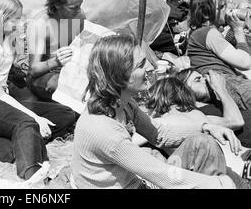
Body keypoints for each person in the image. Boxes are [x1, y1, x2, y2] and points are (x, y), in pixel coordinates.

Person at [72, 33, 243, 189]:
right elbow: (159, 174)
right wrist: (219, 184)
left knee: (202, 143)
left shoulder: (122, 104)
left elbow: (158, 133)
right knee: (223, 180)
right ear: (119, 76)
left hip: (137, 182)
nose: (148, 68)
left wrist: (206, 127)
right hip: (137, 184)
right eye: (140, 65)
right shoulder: (105, 131)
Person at [0, 0, 77, 180]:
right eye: (15, 19)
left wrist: (56, 60)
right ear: (0, 18)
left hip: (1, 94)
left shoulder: (9, 38)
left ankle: (9, 142)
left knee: (64, 114)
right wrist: (35, 117)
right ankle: (31, 176)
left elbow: (26, 68)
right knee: (26, 123)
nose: (19, 22)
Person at [186, 0, 251, 111]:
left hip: (222, 83)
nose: (226, 10)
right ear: (206, 14)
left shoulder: (200, 33)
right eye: (221, 7)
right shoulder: (208, 33)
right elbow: (245, 63)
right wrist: (238, 31)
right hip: (226, 82)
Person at [27, 0, 85, 101]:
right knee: (62, 84)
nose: (79, 10)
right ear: (57, 5)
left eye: (80, 5)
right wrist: (55, 62)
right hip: (44, 76)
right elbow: (33, 70)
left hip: (69, 70)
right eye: (73, 7)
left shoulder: (79, 16)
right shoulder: (41, 24)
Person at [174, 68, 251, 147]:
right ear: (185, 91)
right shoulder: (198, 115)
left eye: (203, 77)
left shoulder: (217, 103)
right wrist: (220, 88)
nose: (205, 80)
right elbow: (236, 122)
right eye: (197, 80)